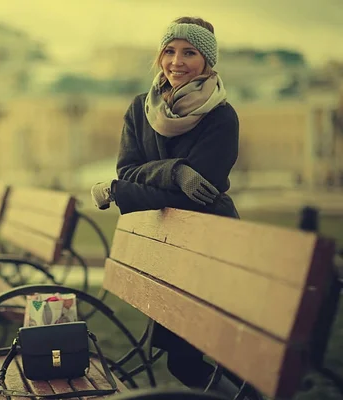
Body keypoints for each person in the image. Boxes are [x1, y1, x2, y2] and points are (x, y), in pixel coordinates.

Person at [91, 16, 242, 391]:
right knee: (185, 365)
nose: (177, 61)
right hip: (170, 249)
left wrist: (121, 190)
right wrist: (175, 173)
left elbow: (198, 193)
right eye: (170, 51)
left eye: (189, 53)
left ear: (208, 62)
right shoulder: (140, 108)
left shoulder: (222, 117)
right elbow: (128, 170)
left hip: (210, 247)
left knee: (196, 363)